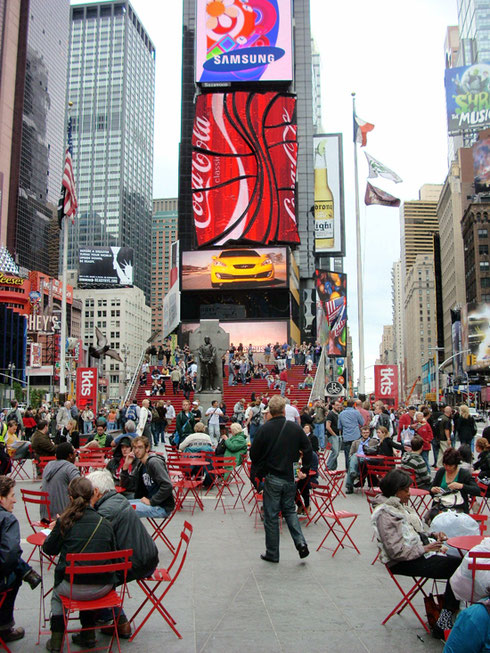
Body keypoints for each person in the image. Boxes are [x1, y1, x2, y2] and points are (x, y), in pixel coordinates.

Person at [371, 469, 462, 639]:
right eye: (406, 490)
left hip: (415, 553)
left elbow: (411, 533)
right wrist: (425, 548)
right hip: (402, 561)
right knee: (456, 565)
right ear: (396, 491)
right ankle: (446, 619)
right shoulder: (385, 514)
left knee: (457, 562)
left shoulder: (397, 507)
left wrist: (432, 536)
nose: (409, 494)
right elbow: (396, 551)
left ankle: (448, 613)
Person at [42, 477, 117, 651]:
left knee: (57, 597)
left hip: (71, 587)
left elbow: (49, 549)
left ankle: (56, 640)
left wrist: (57, 528)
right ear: (93, 495)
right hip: (102, 587)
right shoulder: (105, 523)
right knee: (88, 574)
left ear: (70, 498)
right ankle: (88, 634)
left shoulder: (65, 522)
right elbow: (113, 554)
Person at [87, 471, 160, 639]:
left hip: (137, 562)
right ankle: (101, 614)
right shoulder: (117, 500)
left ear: (96, 492)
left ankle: (120, 621)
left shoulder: (106, 511)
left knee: (92, 575)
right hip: (146, 556)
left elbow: (92, 538)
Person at [250, 395, 312, 563]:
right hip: (290, 476)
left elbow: (253, 455)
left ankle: (272, 552)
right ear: (284, 410)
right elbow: (308, 449)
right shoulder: (295, 428)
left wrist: (261, 467)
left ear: (270, 411)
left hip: (273, 476)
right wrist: (304, 469)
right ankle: (301, 543)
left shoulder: (264, 429)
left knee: (271, 515)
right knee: (290, 511)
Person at [0, 477, 41, 643]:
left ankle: (27, 572)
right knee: (14, 572)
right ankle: (4, 627)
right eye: (12, 496)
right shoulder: (7, 519)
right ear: (1, 498)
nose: (15, 500)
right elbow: (8, 557)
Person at [121, 436, 175, 518]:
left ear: (147, 448)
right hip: (147, 502)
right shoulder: (141, 465)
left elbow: (167, 485)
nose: (137, 451)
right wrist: (125, 467)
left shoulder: (154, 462)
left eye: (140, 447)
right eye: (134, 448)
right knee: (120, 506)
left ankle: (133, 531)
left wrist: (152, 501)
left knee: (123, 510)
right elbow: (128, 486)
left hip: (161, 507)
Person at [430, 447, 480, 517]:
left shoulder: (464, 474)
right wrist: (433, 490)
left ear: (456, 464)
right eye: (445, 465)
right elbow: (431, 488)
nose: (447, 468)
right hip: (441, 506)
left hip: (458, 508)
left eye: (450, 466)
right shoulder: (441, 471)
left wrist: (461, 486)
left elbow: (477, 490)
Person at [41, 443, 80, 521]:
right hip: (62, 516)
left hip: (45, 515)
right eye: (75, 452)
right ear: (70, 455)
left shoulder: (48, 466)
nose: (76, 455)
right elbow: (81, 488)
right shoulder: (70, 468)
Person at [337, 399, 364, 489]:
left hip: (346, 437)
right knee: (357, 456)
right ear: (354, 405)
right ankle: (356, 472)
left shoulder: (341, 414)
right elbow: (362, 423)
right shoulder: (356, 413)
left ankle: (349, 471)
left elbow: (339, 426)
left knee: (348, 456)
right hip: (356, 437)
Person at [346, 425, 378, 491]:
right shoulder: (355, 442)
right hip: (356, 459)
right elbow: (350, 454)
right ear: (361, 433)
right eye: (364, 433)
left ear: (369, 433)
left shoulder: (374, 442)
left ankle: (349, 484)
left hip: (367, 460)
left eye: (367, 432)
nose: (365, 434)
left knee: (352, 464)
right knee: (354, 456)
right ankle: (353, 472)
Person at [325, 400, 342, 471]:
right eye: (337, 405)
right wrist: (334, 435)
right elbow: (328, 426)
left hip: (338, 435)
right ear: (333, 405)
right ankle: (328, 466)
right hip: (333, 436)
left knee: (336, 452)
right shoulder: (330, 414)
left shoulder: (338, 414)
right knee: (335, 452)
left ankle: (333, 467)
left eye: (339, 405)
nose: (339, 406)